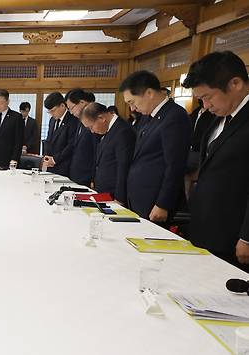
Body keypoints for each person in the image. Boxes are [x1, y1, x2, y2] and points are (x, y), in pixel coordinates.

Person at [182, 51, 249, 271]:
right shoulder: (218, 119)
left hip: (234, 235)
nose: (205, 105)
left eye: (208, 96)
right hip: (206, 227)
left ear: (235, 83)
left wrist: (246, 237)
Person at [120, 70, 190, 222]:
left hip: (154, 201)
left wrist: (163, 203)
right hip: (139, 197)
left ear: (149, 93)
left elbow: (175, 164)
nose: (132, 109)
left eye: (132, 102)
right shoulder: (147, 117)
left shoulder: (174, 116)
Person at [81, 102, 135, 205]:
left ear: (101, 118)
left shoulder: (122, 131)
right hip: (103, 191)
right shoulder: (108, 130)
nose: (92, 131)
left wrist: (120, 198)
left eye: (91, 127)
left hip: (114, 194)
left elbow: (123, 167)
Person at [64, 89, 98, 186]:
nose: (70, 112)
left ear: (82, 102)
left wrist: (93, 178)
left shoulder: (95, 119)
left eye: (71, 108)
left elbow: (96, 151)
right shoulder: (79, 121)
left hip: (88, 177)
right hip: (77, 174)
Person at [42, 92, 77, 176]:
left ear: (62, 105)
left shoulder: (73, 120)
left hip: (65, 166)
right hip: (50, 166)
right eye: (49, 112)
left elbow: (71, 145)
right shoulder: (52, 120)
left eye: (53, 110)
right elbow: (49, 140)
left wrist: (54, 159)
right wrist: (46, 158)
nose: (51, 114)